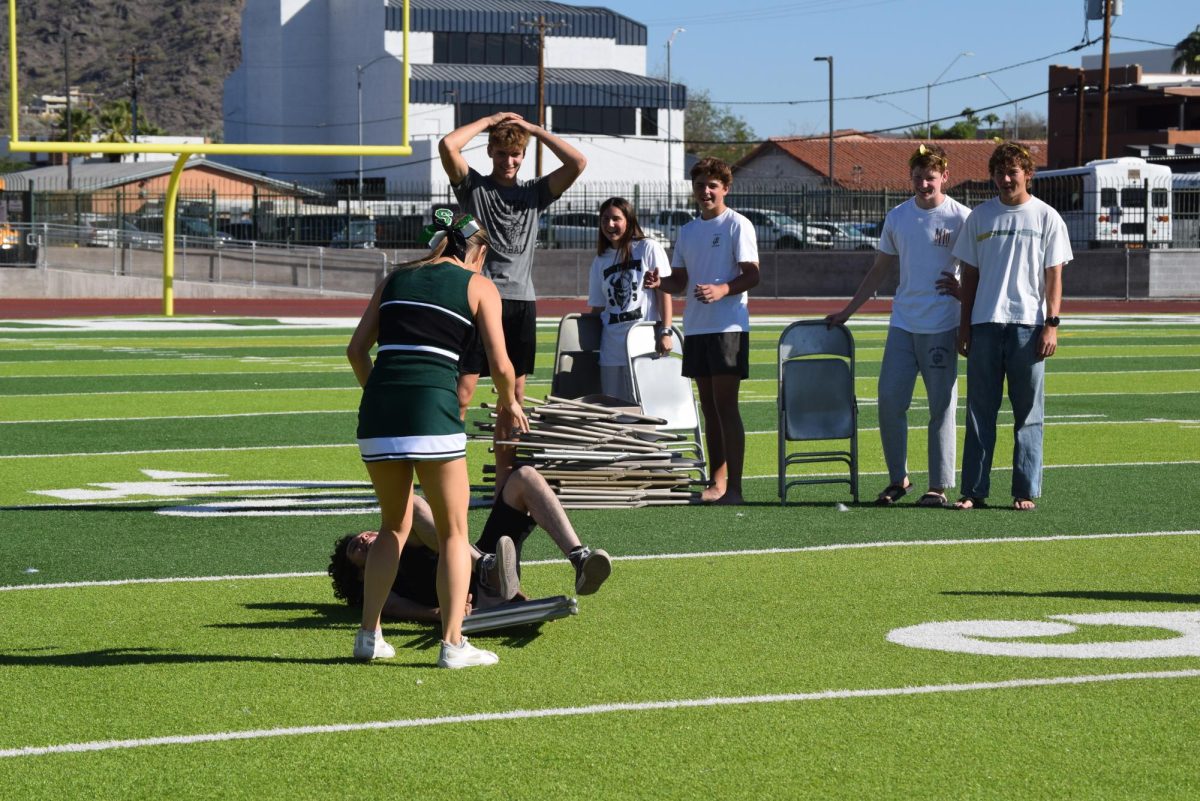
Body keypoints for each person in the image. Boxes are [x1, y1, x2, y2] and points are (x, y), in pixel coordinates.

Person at [346, 209, 530, 668]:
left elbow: (355, 351)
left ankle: (369, 636)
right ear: (478, 252)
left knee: (392, 527)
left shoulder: (395, 278)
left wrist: (385, 395)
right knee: (453, 532)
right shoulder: (479, 285)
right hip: (432, 410)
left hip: (379, 414)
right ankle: (453, 644)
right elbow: (502, 364)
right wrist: (509, 403)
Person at [439, 112, 587, 489]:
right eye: (503, 153)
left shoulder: (534, 193)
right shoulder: (473, 188)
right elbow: (448, 146)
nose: (510, 161)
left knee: (515, 396)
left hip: (521, 303)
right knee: (463, 391)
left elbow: (577, 162)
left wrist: (534, 130)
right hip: (479, 300)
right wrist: (489, 121)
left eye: (516, 154)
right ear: (490, 151)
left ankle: (504, 477)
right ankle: (445, 471)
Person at [825, 144, 970, 508]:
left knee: (941, 407)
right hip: (903, 324)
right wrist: (848, 311)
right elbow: (880, 269)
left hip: (942, 324)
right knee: (889, 400)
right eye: (918, 178)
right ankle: (898, 478)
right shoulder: (899, 217)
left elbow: (975, 271)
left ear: (945, 178)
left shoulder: (961, 218)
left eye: (931, 178)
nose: (924, 184)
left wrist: (964, 297)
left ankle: (938, 485)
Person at [328, 465, 613, 622]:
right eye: (358, 548)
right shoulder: (380, 582)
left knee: (524, 477)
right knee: (413, 504)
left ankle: (580, 559)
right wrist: (442, 614)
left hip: (495, 566)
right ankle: (487, 568)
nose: (364, 539)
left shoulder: (404, 537)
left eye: (362, 535)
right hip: (472, 596)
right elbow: (394, 608)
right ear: (361, 574)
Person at [951, 141, 1071, 512]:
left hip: (1028, 328)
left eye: (1013, 173)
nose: (1005, 179)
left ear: (1028, 175)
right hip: (985, 324)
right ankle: (973, 490)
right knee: (978, 413)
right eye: (999, 173)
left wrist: (1051, 325)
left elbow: (1054, 278)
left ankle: (1024, 490)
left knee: (1028, 415)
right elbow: (969, 276)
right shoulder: (980, 217)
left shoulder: (1047, 217)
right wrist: (965, 326)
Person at [646, 157, 760, 505]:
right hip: (695, 328)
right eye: (700, 185)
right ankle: (718, 482)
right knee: (709, 408)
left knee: (726, 406)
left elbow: (752, 274)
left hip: (728, 327)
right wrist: (660, 282)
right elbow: (680, 281)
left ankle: (736, 488)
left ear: (726, 188)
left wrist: (722, 289)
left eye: (713, 185)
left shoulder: (738, 225)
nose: (706, 191)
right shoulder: (688, 230)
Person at [587, 197, 673, 401]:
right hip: (611, 347)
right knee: (614, 409)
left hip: (643, 342)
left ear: (629, 220)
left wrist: (666, 331)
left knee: (647, 407)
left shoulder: (647, 248)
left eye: (616, 218)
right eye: (605, 219)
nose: (610, 224)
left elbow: (664, 293)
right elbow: (598, 308)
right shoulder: (600, 260)